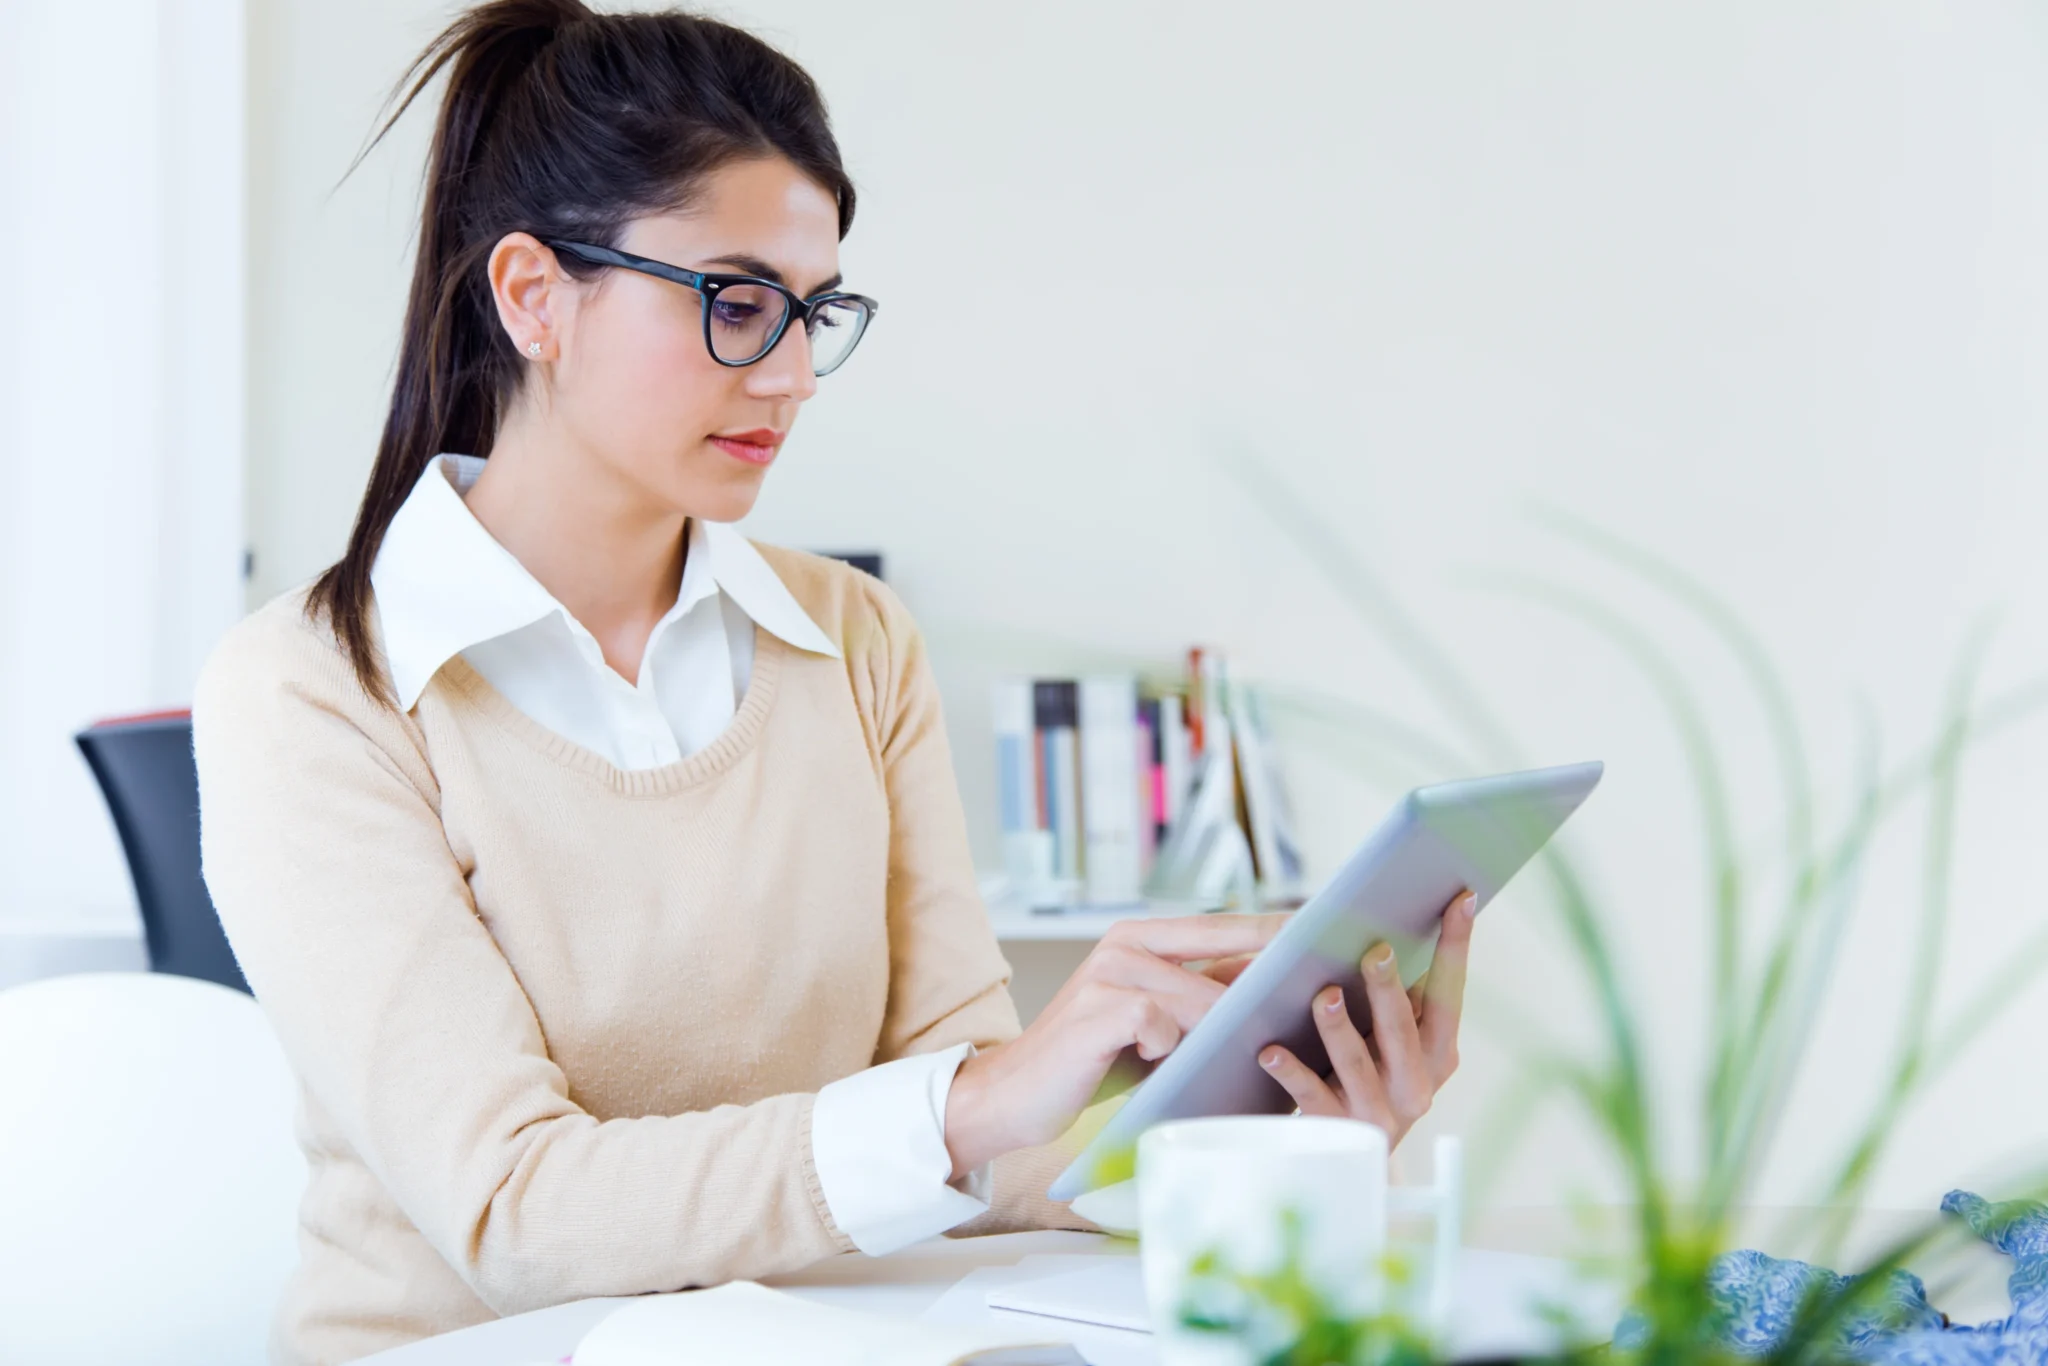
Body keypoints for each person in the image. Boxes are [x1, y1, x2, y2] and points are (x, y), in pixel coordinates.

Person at [192, 3, 1478, 1362]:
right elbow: (514, 1205)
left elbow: (982, 1147)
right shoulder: (311, 692)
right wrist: (972, 1102)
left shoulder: (856, 640)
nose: (795, 375)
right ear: (532, 296)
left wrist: (1282, 1133)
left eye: (815, 313)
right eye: (738, 305)